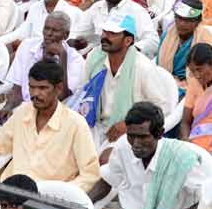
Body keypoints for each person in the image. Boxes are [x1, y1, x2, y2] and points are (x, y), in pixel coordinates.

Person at [0, 60, 100, 190]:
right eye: (32, 87)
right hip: (9, 196)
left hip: (47, 205)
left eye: (42, 88)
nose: (35, 94)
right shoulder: (22, 112)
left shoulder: (76, 124)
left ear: (58, 88)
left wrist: (61, 194)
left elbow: (90, 174)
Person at [88, 102, 212, 209]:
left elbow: (208, 198)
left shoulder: (182, 159)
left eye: (143, 137)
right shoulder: (123, 147)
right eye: (131, 136)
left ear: (160, 134)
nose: (136, 144)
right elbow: (108, 179)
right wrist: (83, 202)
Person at [69, 11, 175, 153]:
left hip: (128, 132)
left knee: (106, 161)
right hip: (95, 125)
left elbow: (162, 107)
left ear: (128, 41)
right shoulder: (94, 57)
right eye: (105, 31)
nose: (105, 37)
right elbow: (83, 92)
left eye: (112, 33)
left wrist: (129, 124)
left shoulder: (142, 67)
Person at [76, 0, 159, 57]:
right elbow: (80, 34)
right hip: (98, 60)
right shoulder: (96, 8)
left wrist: (127, 52)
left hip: (126, 63)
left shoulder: (136, 11)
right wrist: (75, 42)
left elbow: (153, 41)